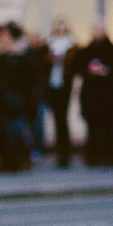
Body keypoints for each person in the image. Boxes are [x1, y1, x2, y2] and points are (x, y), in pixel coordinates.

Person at [71, 23, 113, 167]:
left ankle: (109, 157)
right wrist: (88, 71)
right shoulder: (86, 51)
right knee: (93, 128)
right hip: (92, 97)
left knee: (109, 129)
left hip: (108, 96)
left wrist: (106, 71)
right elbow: (77, 68)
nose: (97, 33)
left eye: (99, 30)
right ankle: (93, 157)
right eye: (95, 30)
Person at [0, 22, 39, 173]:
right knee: (3, 132)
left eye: (5, 34)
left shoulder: (24, 54)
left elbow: (32, 78)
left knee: (17, 132)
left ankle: (20, 160)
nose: (2, 37)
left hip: (19, 102)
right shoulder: (2, 55)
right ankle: (8, 161)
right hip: (4, 101)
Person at [44, 18, 77, 167]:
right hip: (53, 84)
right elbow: (43, 61)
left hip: (64, 84)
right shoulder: (50, 42)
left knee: (63, 118)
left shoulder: (70, 43)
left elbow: (74, 64)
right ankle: (60, 152)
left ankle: (65, 153)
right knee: (56, 118)